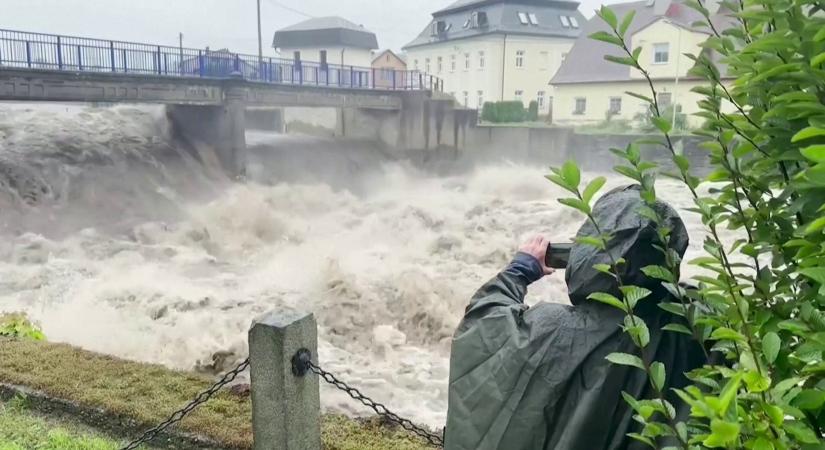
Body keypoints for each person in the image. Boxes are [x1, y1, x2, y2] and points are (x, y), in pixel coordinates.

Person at [444, 185, 706, 450]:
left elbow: (483, 326)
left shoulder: (550, 330)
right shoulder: (693, 325)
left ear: (589, 248)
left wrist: (519, 271)